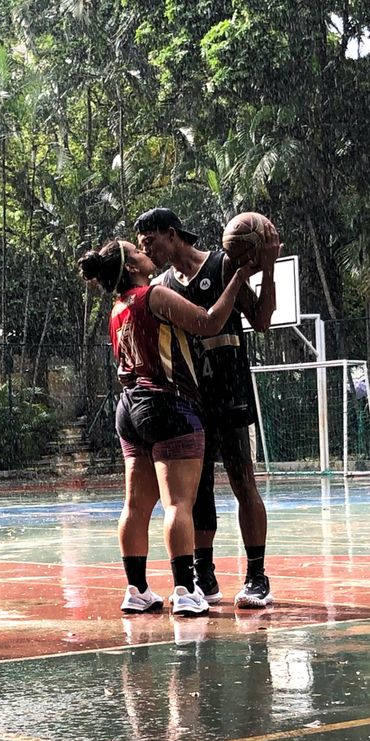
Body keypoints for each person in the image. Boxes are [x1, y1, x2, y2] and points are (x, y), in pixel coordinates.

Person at [78, 238, 252, 617]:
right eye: (138, 251)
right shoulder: (152, 296)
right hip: (168, 404)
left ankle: (136, 590)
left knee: (136, 505)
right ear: (132, 268)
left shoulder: (117, 308)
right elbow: (209, 323)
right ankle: (187, 590)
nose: (147, 254)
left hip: (129, 407)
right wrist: (236, 279)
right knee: (179, 504)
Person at [135, 208, 279, 609]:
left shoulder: (222, 265)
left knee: (242, 482)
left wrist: (267, 269)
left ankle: (256, 575)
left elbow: (263, 320)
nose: (148, 249)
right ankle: (204, 574)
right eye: (142, 245)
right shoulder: (162, 285)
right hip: (188, 401)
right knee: (196, 495)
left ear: (172, 233)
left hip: (230, 392)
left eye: (151, 241)